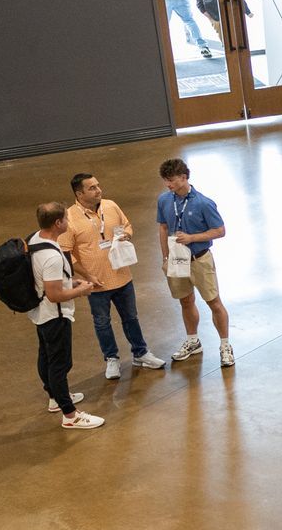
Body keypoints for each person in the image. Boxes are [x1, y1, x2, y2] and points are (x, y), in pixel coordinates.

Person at [62, 173, 165, 378]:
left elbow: (126, 225)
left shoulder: (110, 206)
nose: (98, 190)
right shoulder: (70, 217)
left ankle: (141, 352)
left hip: (122, 276)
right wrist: (88, 276)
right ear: (79, 193)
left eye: (98, 186)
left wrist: (127, 233)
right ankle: (111, 359)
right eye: (92, 188)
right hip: (96, 283)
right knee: (102, 322)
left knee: (131, 317)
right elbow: (66, 254)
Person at [25, 203, 104, 429]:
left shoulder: (34, 240)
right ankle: (70, 416)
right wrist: (81, 290)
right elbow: (54, 295)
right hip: (54, 316)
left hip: (40, 314)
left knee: (46, 356)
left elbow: (49, 283)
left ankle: (54, 398)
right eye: (66, 220)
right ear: (58, 223)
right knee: (60, 364)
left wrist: (72, 282)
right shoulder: (52, 257)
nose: (68, 223)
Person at [154, 157, 233, 368]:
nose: (168, 184)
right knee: (185, 300)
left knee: (214, 302)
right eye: (165, 180)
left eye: (171, 180)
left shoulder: (203, 203)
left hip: (199, 259)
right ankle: (192, 340)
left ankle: (225, 345)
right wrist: (165, 257)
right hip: (176, 259)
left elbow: (220, 231)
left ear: (184, 177)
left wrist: (192, 238)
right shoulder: (164, 200)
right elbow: (163, 227)